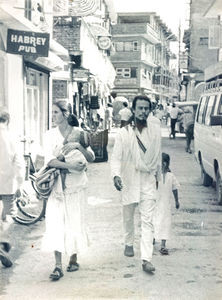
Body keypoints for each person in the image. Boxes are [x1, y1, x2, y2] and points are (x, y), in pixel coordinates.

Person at [41, 100, 95, 281]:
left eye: (56, 112)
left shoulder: (79, 133)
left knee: (74, 223)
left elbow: (91, 158)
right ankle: (57, 266)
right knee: (56, 224)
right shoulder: (49, 135)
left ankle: (73, 258)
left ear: (66, 114)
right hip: (57, 186)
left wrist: (79, 146)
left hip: (76, 186)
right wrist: (70, 165)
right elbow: (49, 161)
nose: (53, 115)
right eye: (52, 112)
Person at [111, 95, 161, 274]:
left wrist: (158, 175)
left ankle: (146, 259)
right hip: (129, 180)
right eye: (139, 108)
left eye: (146, 108)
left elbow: (157, 156)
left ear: (150, 110)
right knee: (128, 216)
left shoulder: (154, 132)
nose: (143, 111)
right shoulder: (124, 133)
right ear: (133, 110)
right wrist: (116, 175)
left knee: (148, 221)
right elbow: (116, 157)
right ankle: (128, 242)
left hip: (147, 180)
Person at [0, 107, 24, 268]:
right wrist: (20, 184)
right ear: (7, 121)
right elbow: (19, 162)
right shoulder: (11, 137)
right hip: (7, 184)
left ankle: (2, 242)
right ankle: (3, 241)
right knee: (7, 216)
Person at [153, 152, 180, 255]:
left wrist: (177, 201)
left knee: (165, 223)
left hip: (165, 205)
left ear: (164, 164)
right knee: (153, 220)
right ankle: (153, 238)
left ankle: (163, 245)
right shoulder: (156, 175)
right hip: (155, 203)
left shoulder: (170, 176)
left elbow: (175, 188)